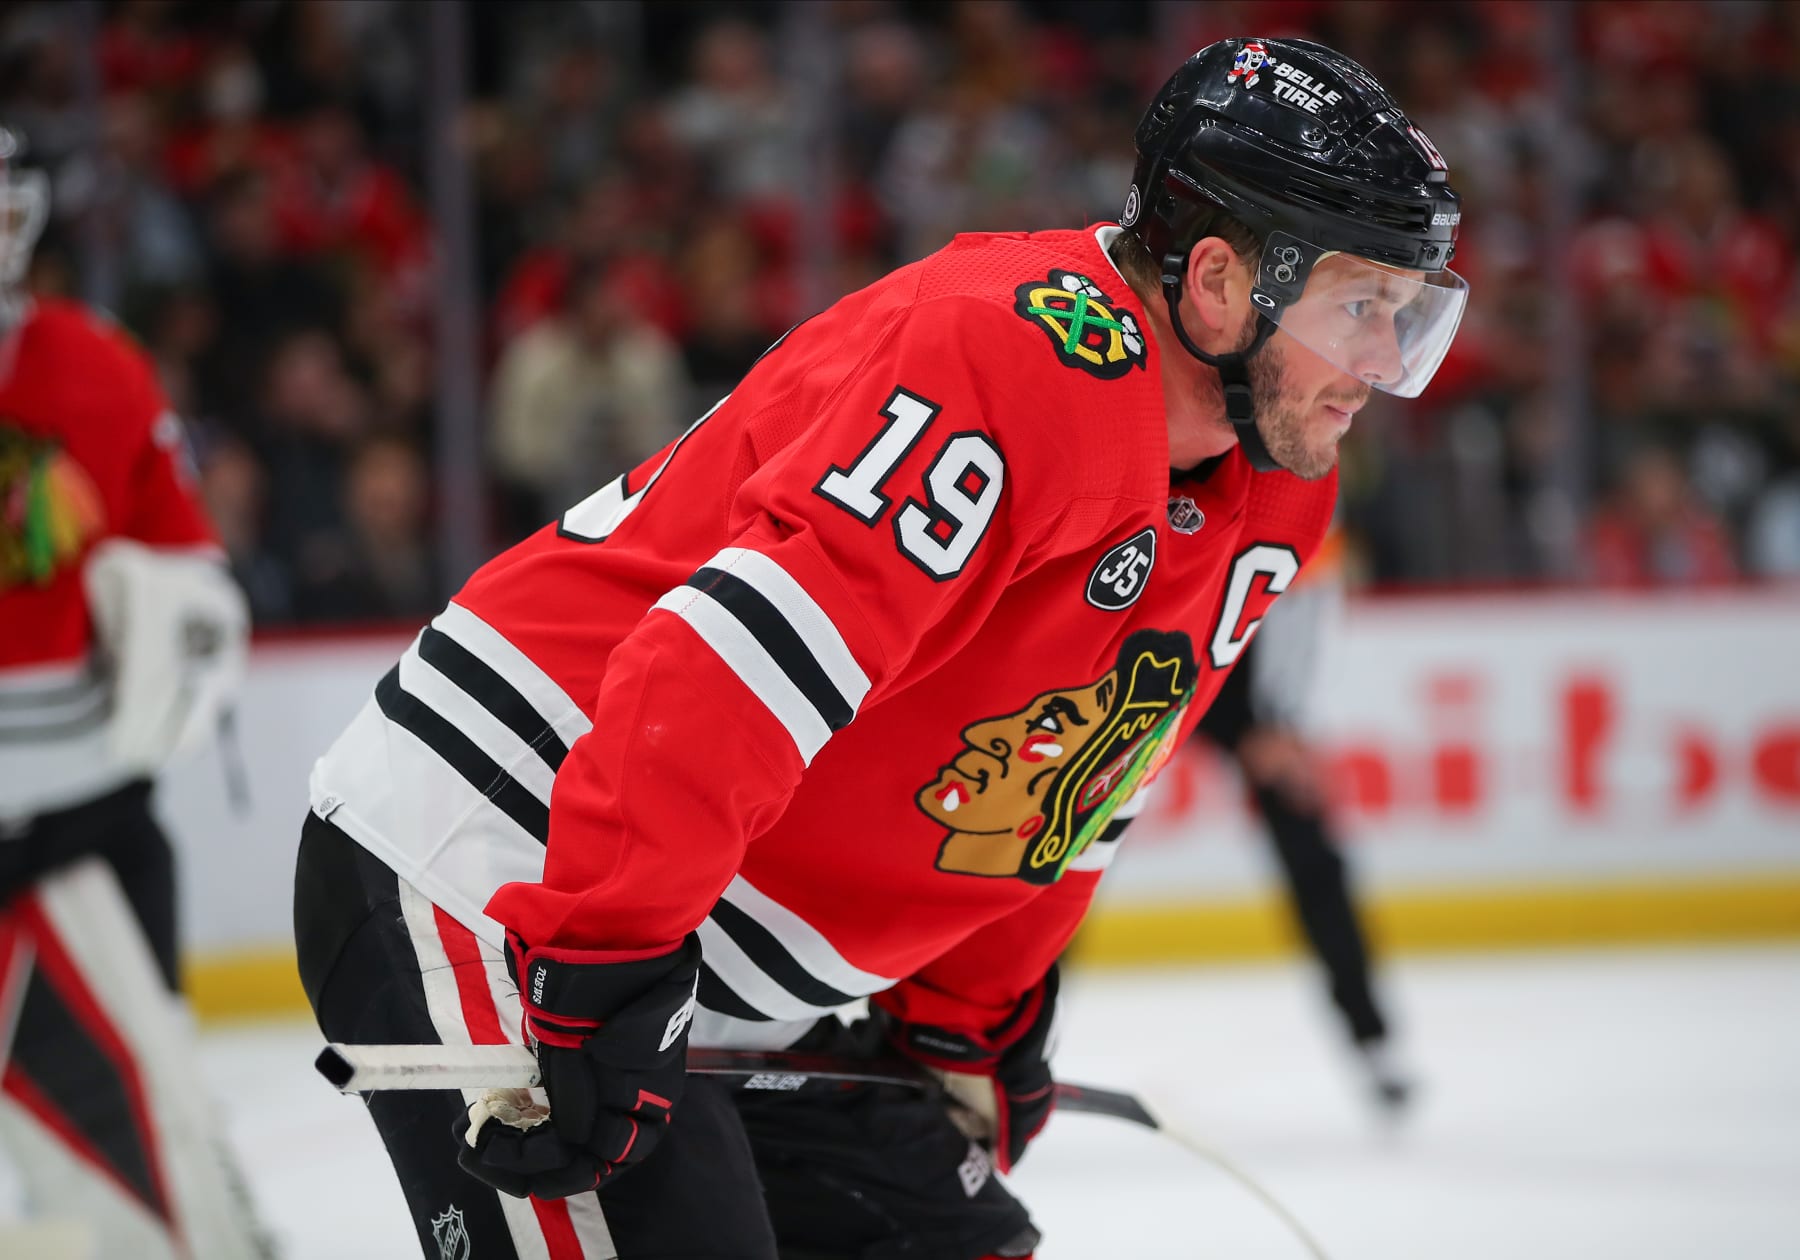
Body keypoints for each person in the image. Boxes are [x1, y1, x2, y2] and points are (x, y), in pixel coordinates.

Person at [295, 36, 1467, 1260]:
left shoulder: (1277, 487)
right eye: (1359, 306)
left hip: (693, 936)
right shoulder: (1009, 361)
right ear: (1221, 284)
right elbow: (722, 670)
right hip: (510, 860)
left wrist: (969, 1015)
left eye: (1403, 313)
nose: (1386, 364)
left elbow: (1078, 776)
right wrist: (604, 961)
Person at [0, 127, 265, 1257]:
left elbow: (187, 555)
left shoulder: (95, 360)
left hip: (87, 815)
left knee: (143, 1117)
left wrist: (189, 625)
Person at [1190, 526, 1413, 1110]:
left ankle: (1372, 1039)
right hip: (1162, 638)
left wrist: (1282, 720)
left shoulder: (1300, 452)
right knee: (1062, 847)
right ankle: (995, 1036)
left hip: (1243, 678)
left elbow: (1309, 581)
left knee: (1313, 861)